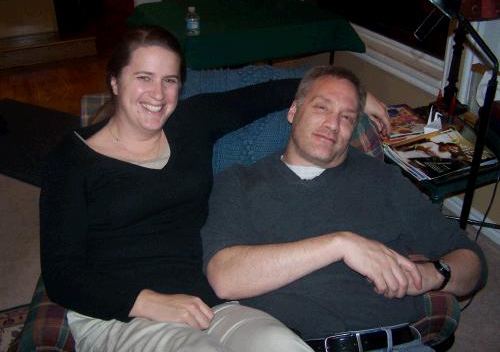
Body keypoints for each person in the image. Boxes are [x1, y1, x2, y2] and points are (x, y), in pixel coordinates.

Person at [39, 25, 390, 352]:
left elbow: (266, 90)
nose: (158, 95)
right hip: (120, 315)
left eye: (170, 80)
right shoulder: (72, 160)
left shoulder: (191, 123)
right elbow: (61, 275)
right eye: (143, 77)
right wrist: (148, 301)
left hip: (207, 304)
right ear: (115, 81)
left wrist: (356, 95)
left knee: (281, 344)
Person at [202, 65, 488, 352]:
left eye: (347, 117)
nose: (332, 124)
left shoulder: (383, 179)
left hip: (400, 342)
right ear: (293, 112)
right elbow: (224, 278)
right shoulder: (240, 181)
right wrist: (341, 244)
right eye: (322, 108)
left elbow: (473, 261)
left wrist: (431, 275)